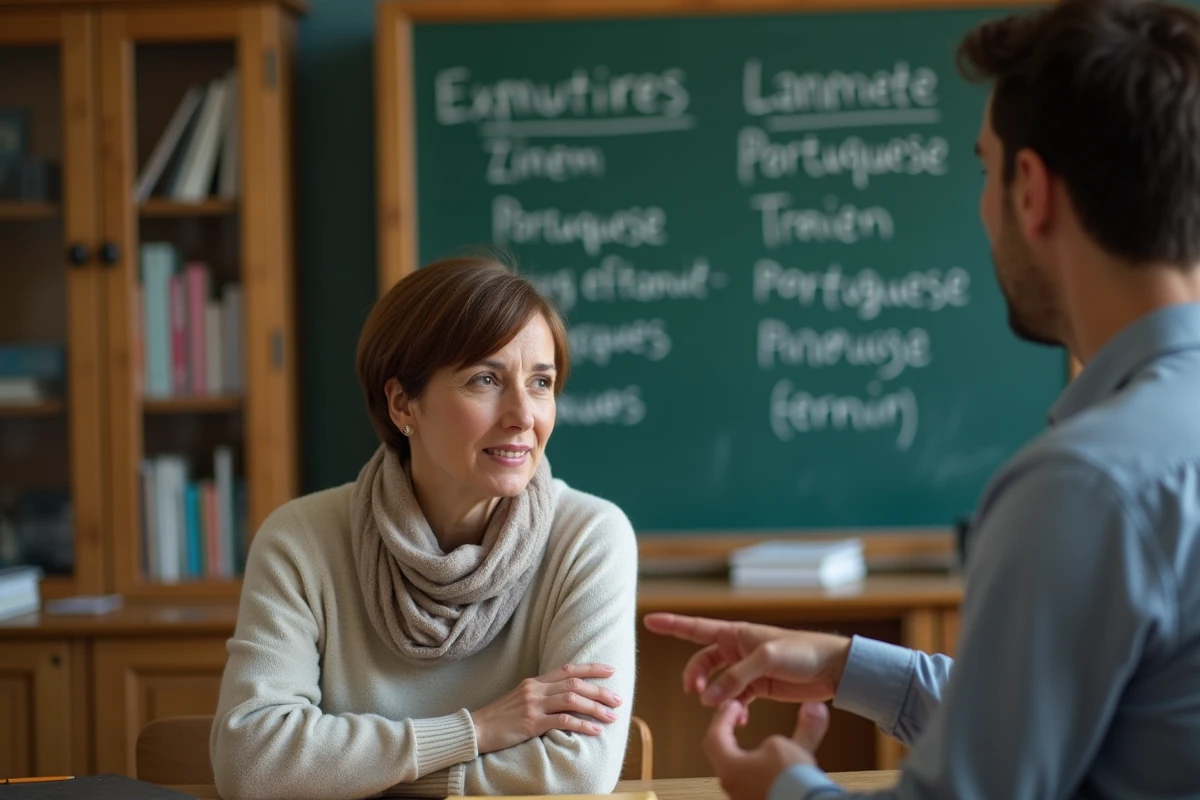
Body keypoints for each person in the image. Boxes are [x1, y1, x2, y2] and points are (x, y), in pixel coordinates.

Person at [646, 0, 1200, 797]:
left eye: (985, 170)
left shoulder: (1088, 485)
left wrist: (786, 789)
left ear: (1030, 190)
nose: (981, 207)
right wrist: (849, 667)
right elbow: (1086, 722)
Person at [211, 256, 638, 800]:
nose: (523, 416)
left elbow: (578, 771)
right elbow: (251, 761)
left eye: (540, 383)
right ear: (402, 404)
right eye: (485, 379)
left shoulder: (590, 538)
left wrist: (358, 776)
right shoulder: (299, 541)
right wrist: (477, 730)